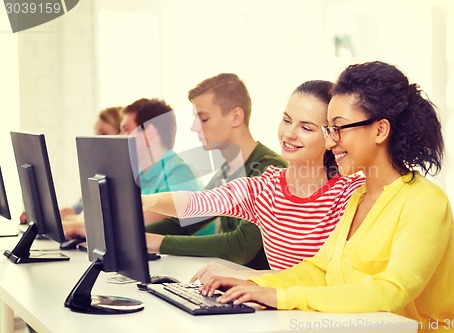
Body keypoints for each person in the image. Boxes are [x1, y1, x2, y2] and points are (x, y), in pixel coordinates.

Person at [198, 61, 454, 332]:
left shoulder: (425, 202)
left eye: (338, 128)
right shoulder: (359, 197)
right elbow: (318, 270)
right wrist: (253, 285)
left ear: (380, 130)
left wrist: (281, 297)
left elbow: (391, 292)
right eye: (328, 130)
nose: (329, 141)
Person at [143, 79, 365, 275]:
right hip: (278, 311)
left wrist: (248, 278)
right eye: (287, 121)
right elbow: (196, 204)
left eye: (306, 128)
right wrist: (149, 201)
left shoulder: (350, 192)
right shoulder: (265, 188)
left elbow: (336, 278)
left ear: (330, 136)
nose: (289, 134)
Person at [145, 73, 287, 270]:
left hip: (263, 293)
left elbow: (241, 246)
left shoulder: (270, 169)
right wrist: (133, 238)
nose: (195, 127)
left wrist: (157, 242)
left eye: (203, 118)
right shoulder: (226, 171)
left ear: (236, 116)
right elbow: (185, 222)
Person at [62, 98, 201, 238]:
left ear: (149, 133)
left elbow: (142, 224)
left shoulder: (180, 174)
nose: (119, 136)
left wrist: (76, 226)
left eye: (126, 130)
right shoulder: (138, 174)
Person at [59, 106, 124, 219]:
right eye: (96, 134)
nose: (97, 141)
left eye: (103, 134)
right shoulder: (102, 169)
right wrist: (47, 218)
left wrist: (70, 223)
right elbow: (79, 208)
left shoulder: (127, 175)